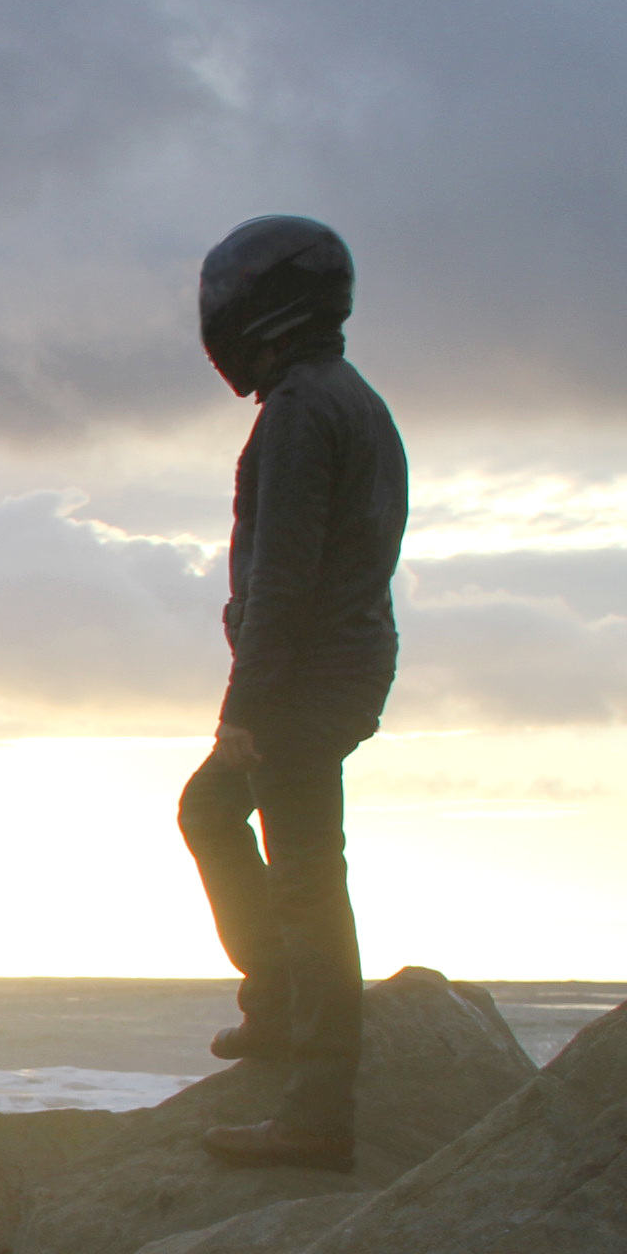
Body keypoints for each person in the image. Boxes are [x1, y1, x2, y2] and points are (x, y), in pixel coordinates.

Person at [177, 214, 408, 1173]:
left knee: (307, 877)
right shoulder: (342, 397)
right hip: (336, 669)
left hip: (306, 681)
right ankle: (274, 1005)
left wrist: (246, 709)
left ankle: (315, 1110)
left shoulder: (304, 411)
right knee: (217, 814)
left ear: (265, 310)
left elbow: (284, 578)